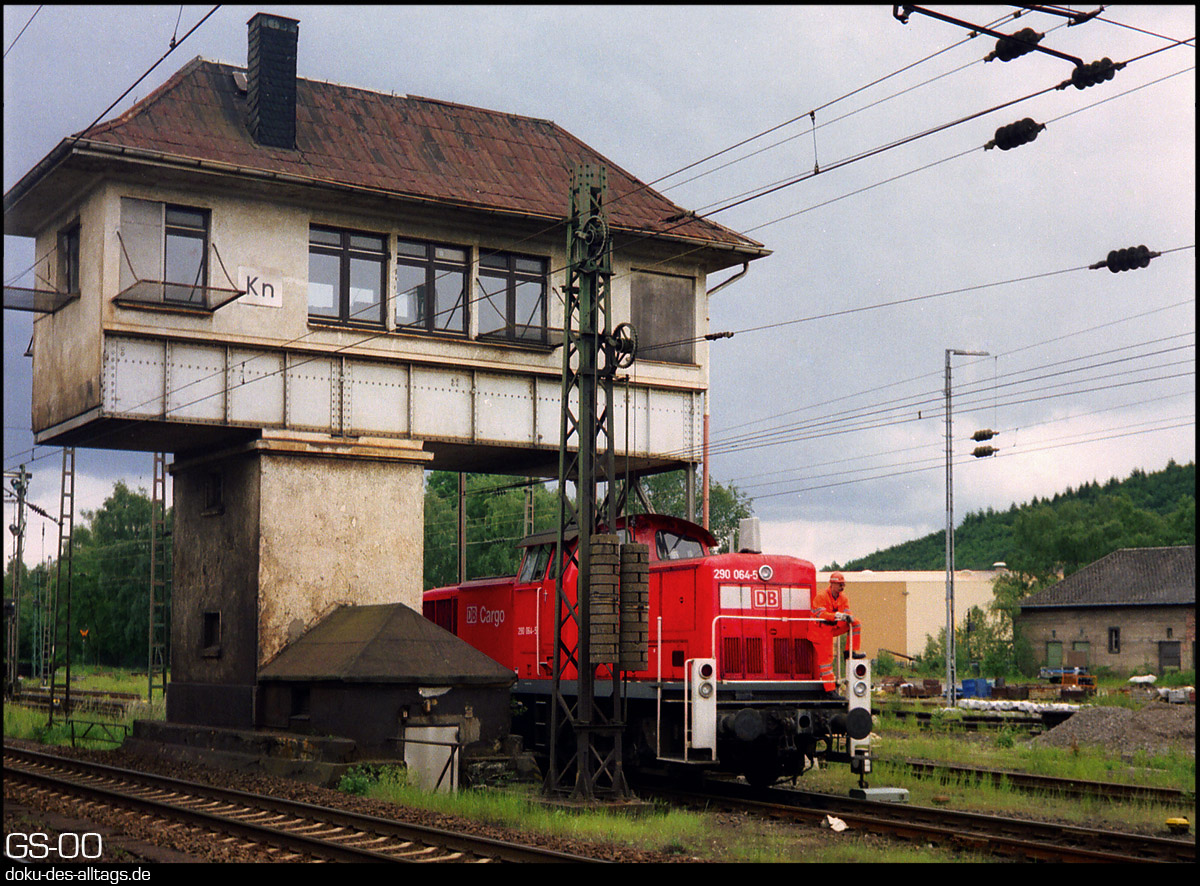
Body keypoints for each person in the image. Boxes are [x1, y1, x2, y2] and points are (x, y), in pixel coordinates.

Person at [812, 573, 863, 690]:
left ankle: (850, 652)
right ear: (833, 584)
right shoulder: (821, 596)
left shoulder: (843, 598)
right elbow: (820, 614)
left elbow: (847, 611)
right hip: (819, 631)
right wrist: (836, 615)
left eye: (843, 584)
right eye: (840, 584)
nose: (842, 587)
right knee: (827, 660)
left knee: (856, 623)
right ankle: (830, 690)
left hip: (831, 629)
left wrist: (849, 617)